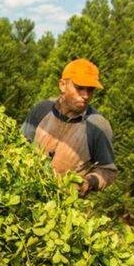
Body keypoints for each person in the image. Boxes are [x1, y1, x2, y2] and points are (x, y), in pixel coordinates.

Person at [21, 58, 117, 197]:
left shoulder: (97, 126)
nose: (85, 95)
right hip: (26, 195)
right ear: (62, 85)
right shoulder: (42, 109)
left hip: (63, 204)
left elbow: (108, 170)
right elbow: (20, 144)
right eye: (79, 88)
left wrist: (90, 181)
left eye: (90, 90)